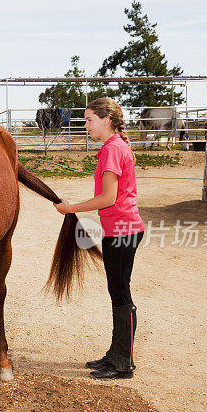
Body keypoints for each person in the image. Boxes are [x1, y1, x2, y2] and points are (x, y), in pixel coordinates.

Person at [53, 98, 145, 380]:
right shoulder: (112, 147)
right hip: (120, 229)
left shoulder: (113, 149)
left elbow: (108, 198)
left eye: (90, 119)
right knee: (117, 292)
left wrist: (71, 208)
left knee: (120, 294)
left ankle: (122, 362)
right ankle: (116, 354)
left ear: (106, 120)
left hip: (123, 231)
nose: (86, 125)